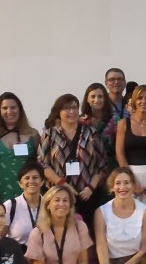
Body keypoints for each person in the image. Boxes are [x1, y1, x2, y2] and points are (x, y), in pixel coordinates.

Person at [38, 94, 107, 234]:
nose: (72, 112)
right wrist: (63, 184)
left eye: (75, 108)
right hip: (59, 195)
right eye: (67, 108)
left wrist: (91, 188)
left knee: (87, 233)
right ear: (59, 112)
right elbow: (42, 164)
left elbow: (101, 164)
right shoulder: (49, 135)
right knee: (61, 233)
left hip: (86, 195)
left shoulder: (91, 133)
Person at [0, 92, 40, 202]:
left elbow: (41, 163)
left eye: (13, 107)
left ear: (20, 110)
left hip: (27, 193)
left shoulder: (33, 134)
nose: (9, 111)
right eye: (5, 108)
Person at [3, 162, 45, 249]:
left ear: (42, 182)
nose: (31, 181)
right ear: (20, 184)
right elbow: (0, 237)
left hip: (45, 254)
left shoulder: (50, 205)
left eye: (35, 177)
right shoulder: (10, 206)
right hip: (18, 254)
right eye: (26, 178)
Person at [81, 83, 119, 173]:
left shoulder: (115, 120)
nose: (96, 100)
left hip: (110, 167)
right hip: (87, 168)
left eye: (100, 96)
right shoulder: (81, 121)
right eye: (93, 96)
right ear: (87, 99)